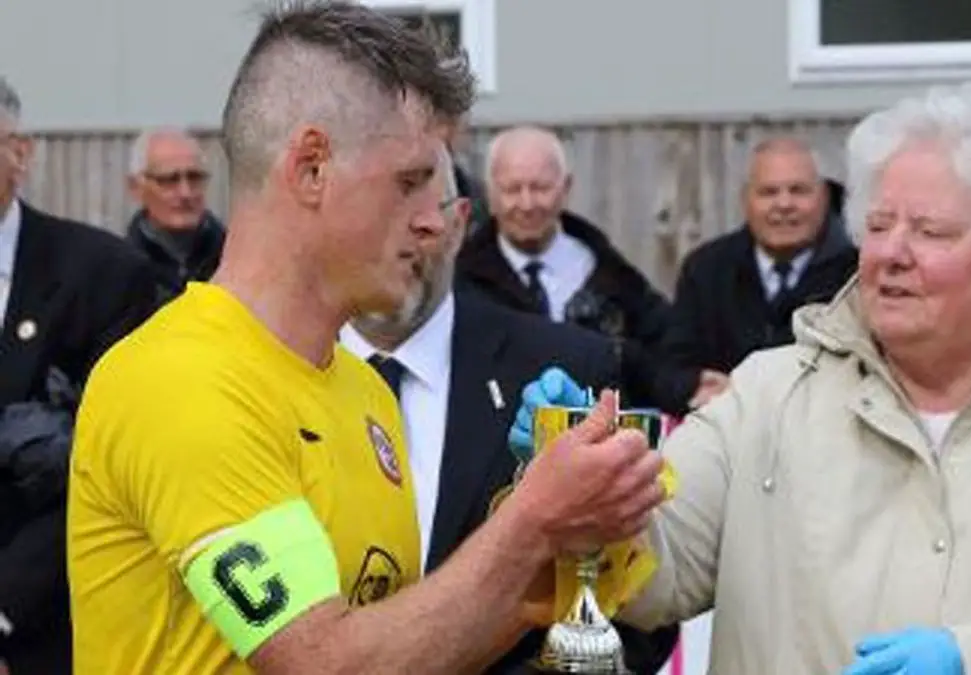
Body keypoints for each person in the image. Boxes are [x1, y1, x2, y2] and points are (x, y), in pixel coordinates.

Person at [515, 81, 971, 673]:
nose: (892, 254)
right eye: (877, 224)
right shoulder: (770, 393)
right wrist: (588, 485)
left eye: (930, 231)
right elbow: (653, 574)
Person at [66, 4, 665, 674]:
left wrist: (576, 519)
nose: (433, 223)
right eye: (409, 182)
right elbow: (321, 664)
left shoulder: (361, 389)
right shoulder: (182, 382)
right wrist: (530, 521)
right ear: (312, 167)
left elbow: (418, 645)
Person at [339, 144, 679, 673]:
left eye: (421, 224)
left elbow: (633, 617)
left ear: (459, 224)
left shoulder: (567, 365)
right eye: (372, 219)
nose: (396, 244)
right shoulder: (271, 372)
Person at [0, 75, 160, 675]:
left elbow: (107, 465)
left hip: (50, 630)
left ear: (20, 152)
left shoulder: (104, 274)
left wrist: (5, 610)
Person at [456, 125, 710, 414]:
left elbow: (663, 349)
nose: (526, 204)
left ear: (566, 188)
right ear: (490, 194)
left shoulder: (608, 271)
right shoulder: (462, 281)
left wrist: (686, 385)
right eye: (512, 189)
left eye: (540, 188)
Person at [661, 137, 857, 381]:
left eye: (798, 191)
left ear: (825, 197)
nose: (784, 204)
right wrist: (694, 386)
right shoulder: (706, 269)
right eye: (768, 192)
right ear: (746, 200)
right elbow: (671, 365)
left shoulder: (857, 272)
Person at [125, 127, 226, 295]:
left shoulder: (234, 263)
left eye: (194, 177)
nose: (185, 193)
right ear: (136, 187)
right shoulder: (121, 269)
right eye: (169, 180)